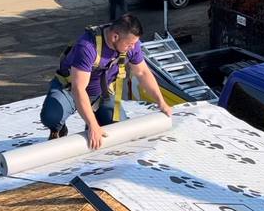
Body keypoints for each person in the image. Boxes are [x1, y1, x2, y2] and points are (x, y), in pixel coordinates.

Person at [40, 14, 171, 149]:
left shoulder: (130, 43)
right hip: (69, 89)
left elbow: (143, 73)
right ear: (115, 37)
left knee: (120, 130)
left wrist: (161, 102)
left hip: (102, 93)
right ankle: (59, 129)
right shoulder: (87, 47)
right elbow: (78, 89)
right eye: (129, 44)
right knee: (51, 117)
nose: (133, 47)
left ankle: (97, 118)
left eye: (134, 44)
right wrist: (93, 125)